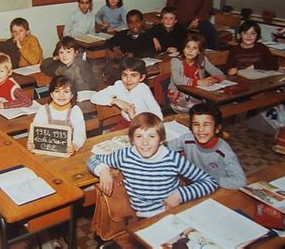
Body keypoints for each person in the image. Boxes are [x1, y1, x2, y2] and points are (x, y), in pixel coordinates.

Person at [88, 112, 218, 218]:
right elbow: (93, 159)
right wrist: (103, 170)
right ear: (132, 140)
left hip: (172, 212)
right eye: (139, 136)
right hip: (142, 218)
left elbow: (210, 182)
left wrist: (180, 194)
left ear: (161, 140)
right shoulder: (126, 155)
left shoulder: (172, 158)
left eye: (151, 136)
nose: (145, 143)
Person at [167, 103, 247, 189]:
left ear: (217, 128)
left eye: (206, 124)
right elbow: (164, 148)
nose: (201, 129)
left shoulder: (223, 152)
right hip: (192, 186)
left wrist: (210, 180)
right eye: (196, 124)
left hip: (214, 189)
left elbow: (240, 181)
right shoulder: (187, 139)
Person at [91, 57, 163, 130]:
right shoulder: (119, 86)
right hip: (126, 123)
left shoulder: (143, 89)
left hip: (144, 124)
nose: (128, 80)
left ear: (142, 77)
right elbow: (94, 97)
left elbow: (158, 115)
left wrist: (135, 117)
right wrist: (116, 101)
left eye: (133, 75)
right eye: (125, 75)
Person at [27, 75, 86, 156]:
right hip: (46, 151)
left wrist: (75, 145)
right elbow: (35, 132)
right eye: (57, 91)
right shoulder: (43, 110)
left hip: (68, 152)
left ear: (72, 95)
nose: (61, 95)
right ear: (51, 94)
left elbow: (80, 133)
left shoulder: (75, 110)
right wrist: (31, 142)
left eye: (66, 92)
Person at [168, 36, 224, 113]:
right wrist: (199, 82)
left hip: (198, 94)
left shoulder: (202, 60)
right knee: (202, 111)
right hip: (179, 96)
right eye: (188, 47)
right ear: (183, 49)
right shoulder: (176, 61)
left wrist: (214, 79)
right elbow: (177, 80)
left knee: (214, 108)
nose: (190, 51)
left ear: (199, 51)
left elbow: (218, 73)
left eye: (194, 48)